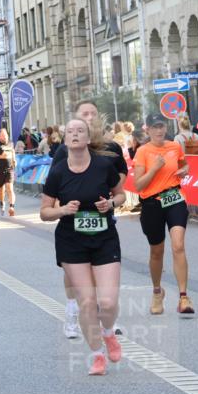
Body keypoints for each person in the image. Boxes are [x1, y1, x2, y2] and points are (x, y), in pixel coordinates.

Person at [40, 117, 126, 375]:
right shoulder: (57, 172)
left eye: (81, 131)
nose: (75, 135)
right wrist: (63, 209)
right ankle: (97, 354)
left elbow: (121, 195)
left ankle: (108, 333)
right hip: (71, 241)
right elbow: (44, 212)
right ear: (65, 140)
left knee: (108, 302)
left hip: (104, 238)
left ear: (88, 139)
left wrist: (110, 204)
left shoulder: (103, 166)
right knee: (87, 301)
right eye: (70, 132)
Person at [51, 99, 129, 338]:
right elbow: (53, 185)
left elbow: (121, 176)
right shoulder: (66, 149)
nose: (89, 117)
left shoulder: (111, 148)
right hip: (73, 221)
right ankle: (73, 311)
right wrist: (62, 207)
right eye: (84, 114)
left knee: (102, 268)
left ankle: (105, 319)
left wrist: (108, 197)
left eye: (93, 114)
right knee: (75, 271)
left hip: (103, 216)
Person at [132, 117, 195, 315]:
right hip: (151, 203)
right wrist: (154, 168)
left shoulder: (175, 146)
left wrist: (185, 170)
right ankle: (157, 291)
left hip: (174, 198)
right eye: (155, 127)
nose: (159, 130)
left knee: (178, 245)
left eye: (162, 126)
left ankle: (184, 297)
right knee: (156, 251)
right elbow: (139, 185)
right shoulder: (142, 151)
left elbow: (184, 164)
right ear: (148, 130)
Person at [0, 128, 17, 217]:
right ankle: (2, 204)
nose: (5, 136)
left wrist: (14, 160)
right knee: (1, 190)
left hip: (9, 169)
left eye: (6, 135)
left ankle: (12, 207)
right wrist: (0, 156)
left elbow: (12, 152)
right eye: (3, 135)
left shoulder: (10, 143)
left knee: (10, 188)